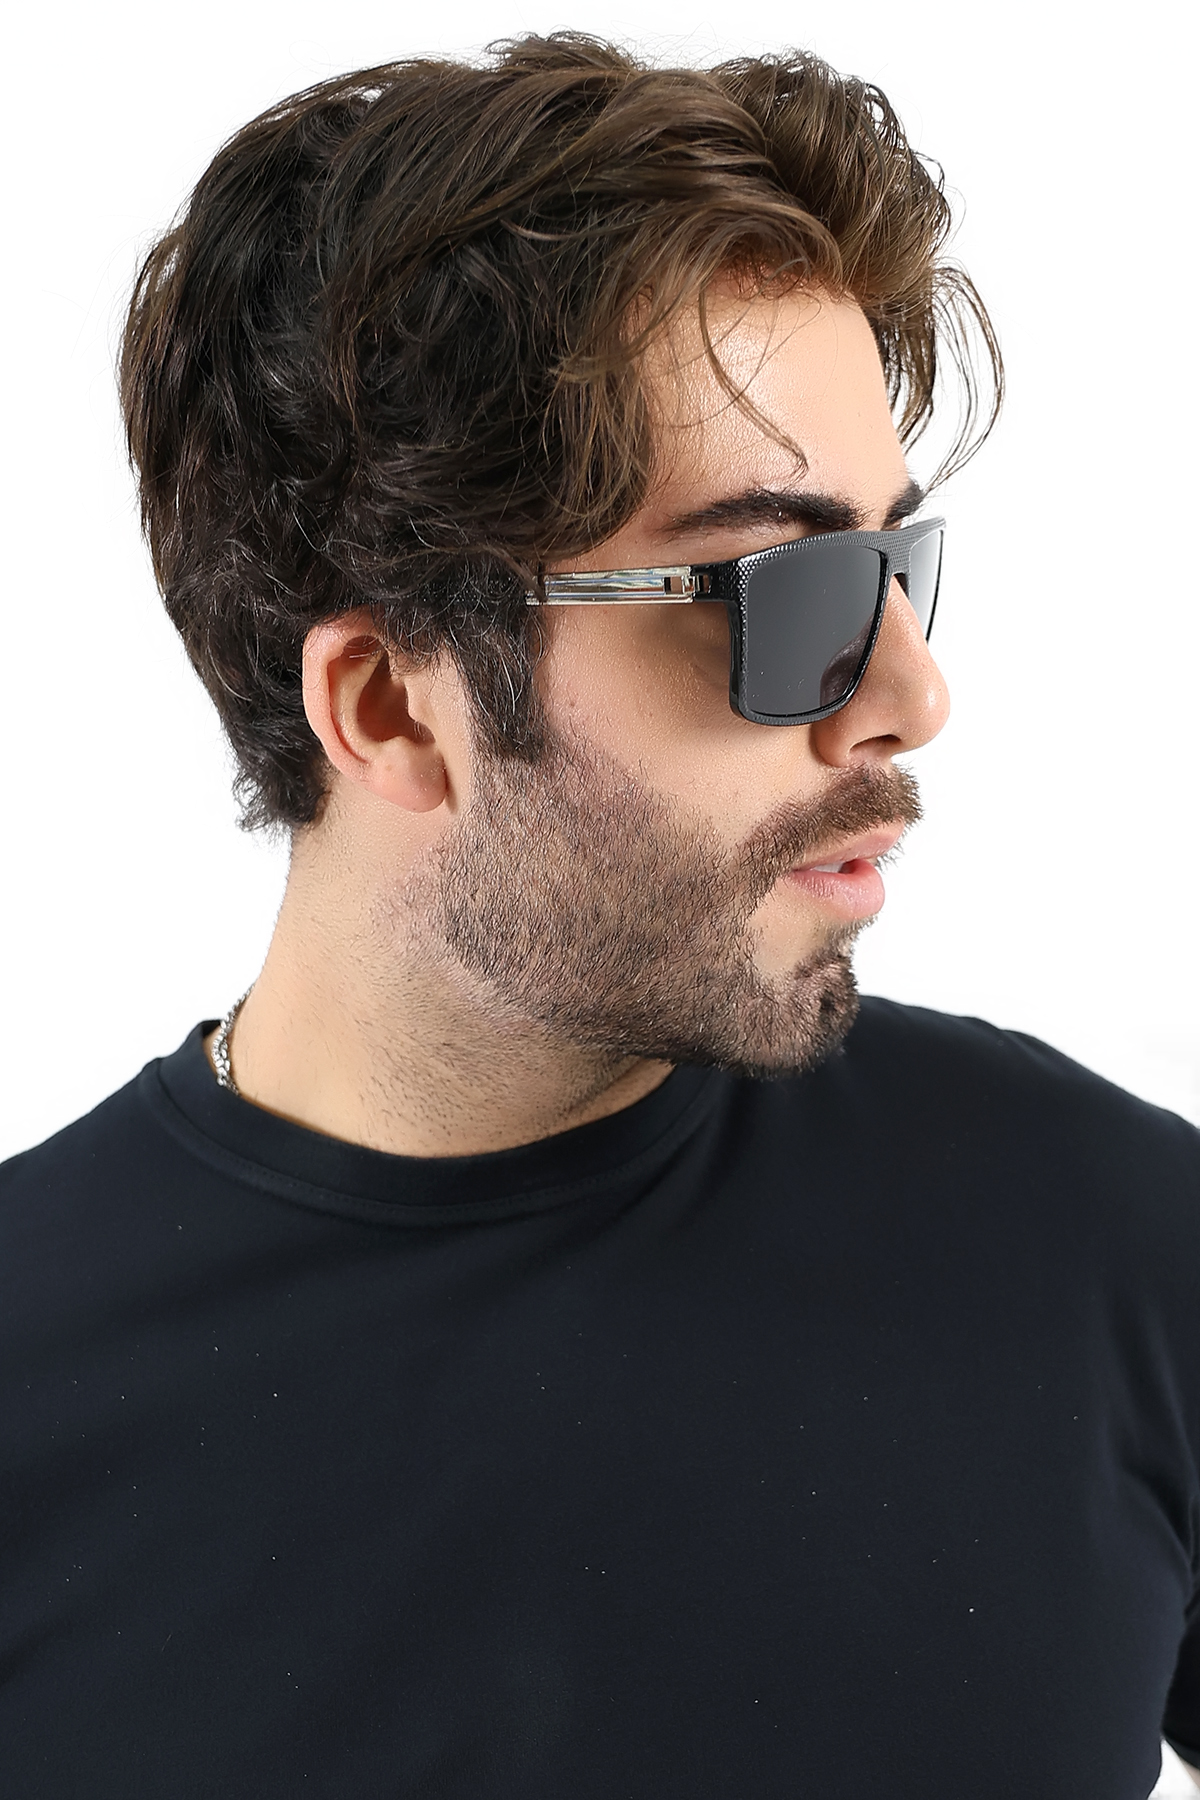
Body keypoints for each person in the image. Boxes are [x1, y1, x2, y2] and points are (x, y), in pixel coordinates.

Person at [1, 32, 1197, 1799]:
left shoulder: (1118, 1247)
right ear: (392, 710)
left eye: (895, 566)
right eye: (784, 590)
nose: (913, 698)